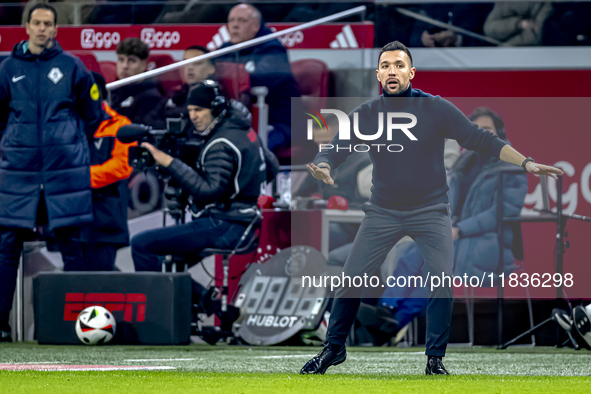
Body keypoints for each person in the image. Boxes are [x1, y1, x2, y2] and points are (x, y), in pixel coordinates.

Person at [300, 41, 563, 375]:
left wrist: (526, 163)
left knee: (440, 279)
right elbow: (336, 148)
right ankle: (333, 349)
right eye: (385, 65)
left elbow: (481, 138)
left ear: (411, 72)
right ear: (378, 73)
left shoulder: (435, 108)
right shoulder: (366, 113)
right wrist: (324, 163)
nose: (391, 70)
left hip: (431, 211)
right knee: (351, 279)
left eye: (398, 64)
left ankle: (434, 358)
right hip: (382, 211)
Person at [131, 80, 279, 327]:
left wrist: (168, 161)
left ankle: (159, 319)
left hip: (224, 225)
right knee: (168, 260)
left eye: (199, 110)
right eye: (190, 111)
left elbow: (208, 191)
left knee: (141, 244)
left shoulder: (221, 143)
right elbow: (272, 168)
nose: (193, 117)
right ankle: (212, 306)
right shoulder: (245, 131)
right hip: (242, 223)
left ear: (216, 108)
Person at [373, 107, 528, 343]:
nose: (481, 134)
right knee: (411, 253)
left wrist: (460, 230)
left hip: (486, 244)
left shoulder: (511, 166)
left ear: (500, 133)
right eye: (476, 129)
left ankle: (389, 323)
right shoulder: (462, 163)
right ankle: (386, 311)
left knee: (433, 274)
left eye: (486, 129)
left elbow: (501, 214)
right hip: (452, 235)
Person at [0, 3, 103, 342]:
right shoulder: (6, 69)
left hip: (64, 173)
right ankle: (1, 323)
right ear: (26, 27)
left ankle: (81, 323)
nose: (43, 28)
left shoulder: (73, 68)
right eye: (37, 23)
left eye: (48, 23)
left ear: (56, 29)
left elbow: (93, 117)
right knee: (6, 246)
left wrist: (68, 147)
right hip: (18, 173)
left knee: (73, 247)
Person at [216, 3, 301, 157]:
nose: (234, 25)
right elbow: (210, 73)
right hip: (240, 123)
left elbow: (259, 80)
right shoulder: (225, 50)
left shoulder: (273, 50)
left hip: (279, 124)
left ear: (255, 26)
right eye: (231, 20)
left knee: (250, 148)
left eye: (242, 21)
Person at [74, 71, 137, 271]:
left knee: (99, 278)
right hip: (71, 218)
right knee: (72, 284)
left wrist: (80, 177)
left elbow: (121, 167)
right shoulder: (67, 125)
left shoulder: (120, 125)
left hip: (105, 219)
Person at [110, 37, 164, 128]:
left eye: (131, 60)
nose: (125, 66)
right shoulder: (112, 91)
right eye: (121, 59)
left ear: (143, 65)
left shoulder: (150, 97)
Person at [163, 45, 216, 120]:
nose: (190, 67)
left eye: (197, 62)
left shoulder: (215, 96)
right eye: (186, 62)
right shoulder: (177, 94)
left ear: (211, 69)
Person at [484, 2, 553, 46]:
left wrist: (506, 47)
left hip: (533, 55)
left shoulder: (546, 5)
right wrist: (518, 24)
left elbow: (537, 35)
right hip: (502, 53)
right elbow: (489, 29)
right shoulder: (504, 3)